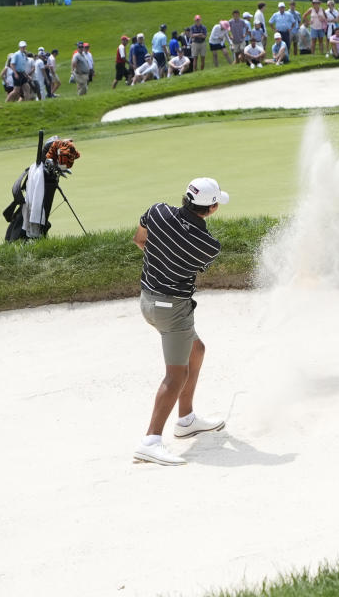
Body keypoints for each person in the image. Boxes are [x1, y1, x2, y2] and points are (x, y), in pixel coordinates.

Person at [132, 178, 229, 466]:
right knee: (176, 375)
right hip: (172, 309)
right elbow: (192, 262)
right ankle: (150, 441)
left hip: (148, 300)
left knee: (196, 350)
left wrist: (161, 260)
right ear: (211, 209)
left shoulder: (157, 211)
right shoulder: (208, 245)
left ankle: (186, 419)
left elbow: (140, 240)